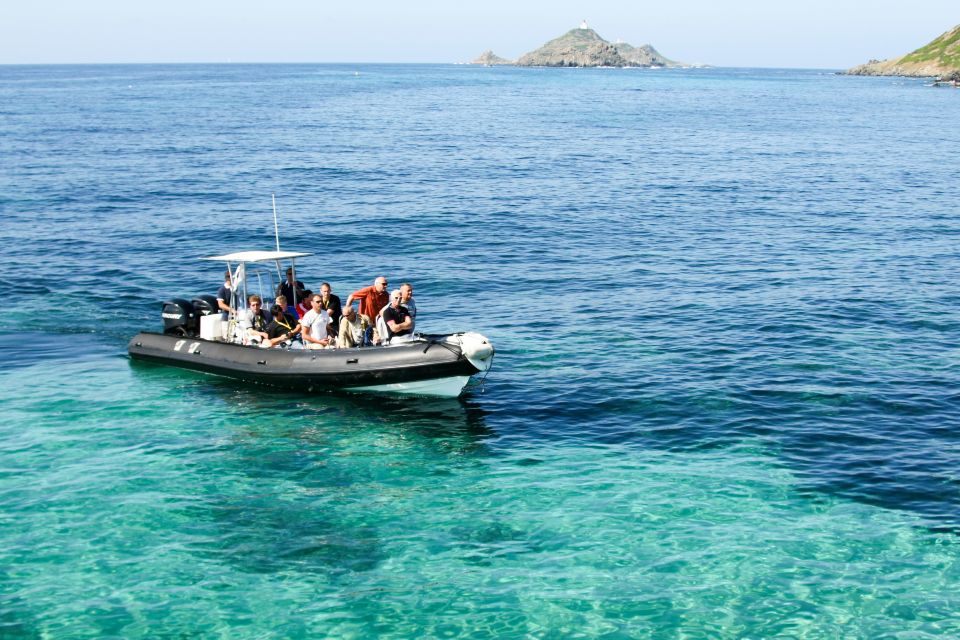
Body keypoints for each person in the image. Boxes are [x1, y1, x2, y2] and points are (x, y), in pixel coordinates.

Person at [346, 277, 390, 345]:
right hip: (365, 321)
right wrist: (347, 310)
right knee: (363, 340)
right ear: (376, 284)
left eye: (386, 284)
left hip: (377, 322)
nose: (385, 286)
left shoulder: (386, 295)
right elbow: (352, 296)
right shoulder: (369, 290)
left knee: (378, 339)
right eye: (383, 284)